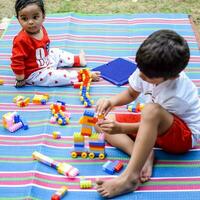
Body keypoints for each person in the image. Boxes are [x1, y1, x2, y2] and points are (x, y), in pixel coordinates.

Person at [95, 29, 200, 198]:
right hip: (154, 124)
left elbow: (156, 124)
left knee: (151, 110)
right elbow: (130, 94)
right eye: (140, 69)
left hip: (183, 137)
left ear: (171, 77)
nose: (141, 76)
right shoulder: (146, 69)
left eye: (148, 77)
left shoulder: (178, 93)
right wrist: (111, 101)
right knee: (103, 122)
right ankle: (143, 154)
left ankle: (130, 177)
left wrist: (122, 128)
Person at [11, 0, 100, 87]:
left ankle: (77, 60)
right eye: (24, 18)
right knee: (55, 76)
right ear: (18, 19)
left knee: (55, 52)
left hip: (46, 60)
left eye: (35, 17)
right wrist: (20, 79)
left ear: (43, 16)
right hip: (35, 73)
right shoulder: (21, 40)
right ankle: (82, 75)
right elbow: (17, 61)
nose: (30, 22)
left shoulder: (41, 28)